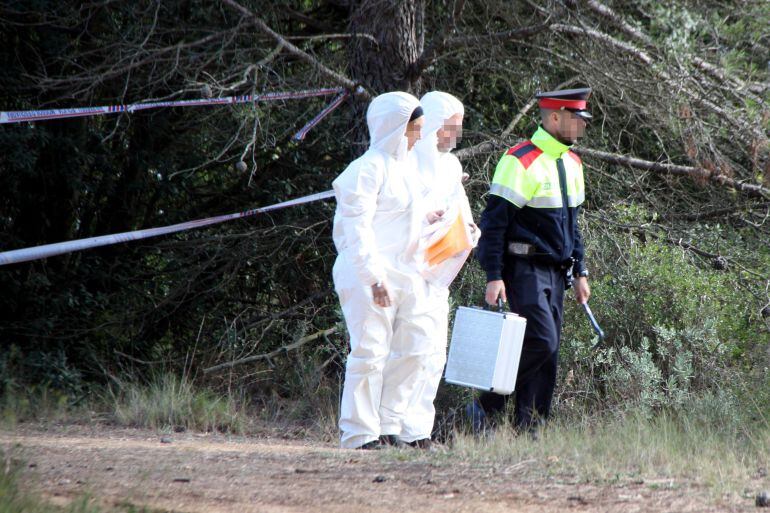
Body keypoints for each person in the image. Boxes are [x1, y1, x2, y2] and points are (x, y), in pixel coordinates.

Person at [472, 87, 593, 434]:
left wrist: (581, 270)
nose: (583, 126)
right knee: (541, 340)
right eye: (577, 119)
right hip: (523, 269)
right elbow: (493, 224)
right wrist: (494, 274)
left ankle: (529, 429)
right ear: (555, 117)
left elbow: (573, 226)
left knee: (548, 354)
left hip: (557, 272)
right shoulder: (519, 160)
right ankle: (484, 408)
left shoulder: (573, 163)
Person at [332, 91, 434, 450]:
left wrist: (431, 219)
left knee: (415, 347)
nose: (419, 136)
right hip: (367, 273)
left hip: (406, 273)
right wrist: (373, 277)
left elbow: (399, 216)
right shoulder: (364, 170)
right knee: (370, 352)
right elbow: (357, 230)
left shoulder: (407, 169)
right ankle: (360, 433)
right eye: (415, 128)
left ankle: (389, 425)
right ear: (395, 127)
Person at [399, 91, 480, 448]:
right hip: (406, 272)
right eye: (449, 127)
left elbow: (461, 210)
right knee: (406, 351)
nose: (454, 135)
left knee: (433, 354)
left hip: (437, 276)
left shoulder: (451, 168)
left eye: (458, 128)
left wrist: (469, 229)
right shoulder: (404, 162)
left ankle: (418, 432)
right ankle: (389, 428)